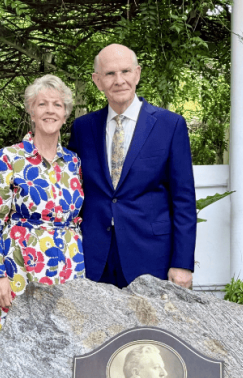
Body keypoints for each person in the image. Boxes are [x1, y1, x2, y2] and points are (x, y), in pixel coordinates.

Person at [68, 44, 196, 290]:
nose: (119, 80)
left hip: (151, 256)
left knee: (150, 329)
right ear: (97, 80)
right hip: (94, 258)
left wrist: (182, 263)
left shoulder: (170, 125)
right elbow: (74, 192)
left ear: (137, 74)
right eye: (110, 74)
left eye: (125, 71)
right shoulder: (83, 129)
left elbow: (184, 200)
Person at [0, 74, 85, 368]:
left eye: (57, 104)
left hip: (69, 265)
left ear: (65, 113)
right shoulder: (9, 158)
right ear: (31, 110)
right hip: (20, 265)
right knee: (17, 346)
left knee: (63, 343)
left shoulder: (74, 162)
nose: (50, 110)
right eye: (42, 104)